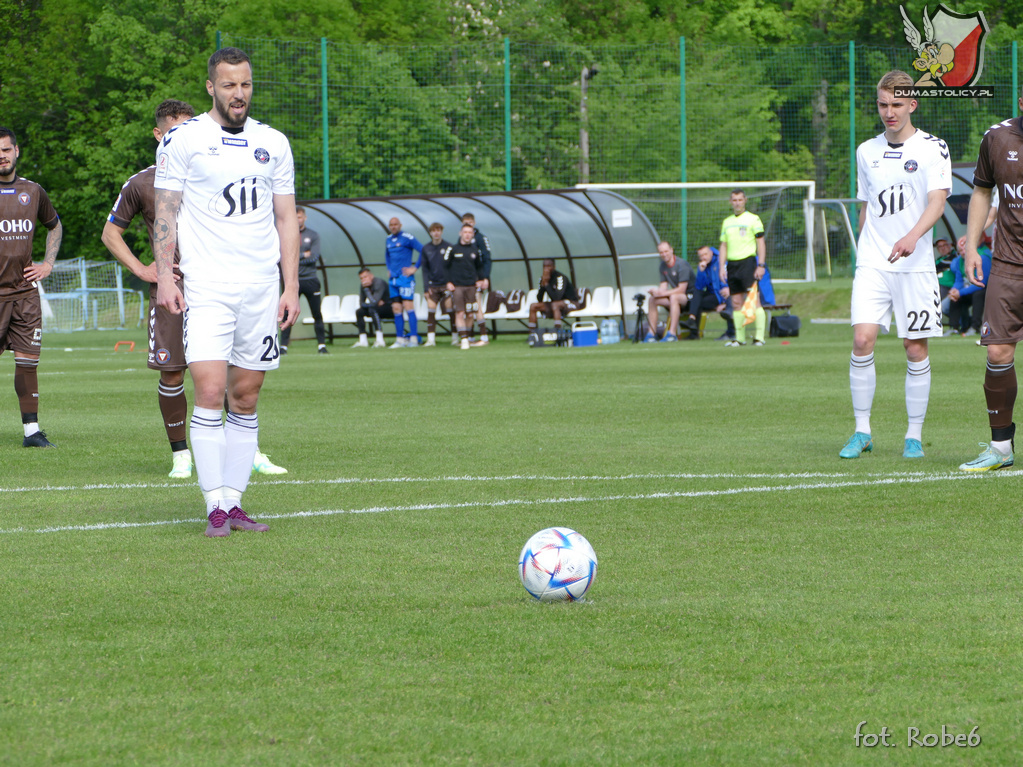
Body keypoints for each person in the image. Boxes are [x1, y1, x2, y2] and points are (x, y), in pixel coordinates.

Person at [153, 47, 300, 537]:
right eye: (229, 85)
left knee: (247, 395)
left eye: (246, 85)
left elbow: (285, 218)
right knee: (210, 391)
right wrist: (167, 277)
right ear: (211, 87)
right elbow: (166, 212)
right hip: (209, 286)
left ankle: (235, 503)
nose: (239, 94)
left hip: (261, 288)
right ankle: (214, 504)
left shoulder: (273, 142)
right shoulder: (184, 139)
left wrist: (291, 285)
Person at [103, 99, 288, 480]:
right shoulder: (142, 183)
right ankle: (180, 454)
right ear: (159, 135)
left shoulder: (218, 166)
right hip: (173, 289)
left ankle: (246, 450)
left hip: (218, 283)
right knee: (173, 374)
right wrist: (143, 269)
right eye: (174, 130)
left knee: (225, 375)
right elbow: (110, 233)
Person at [840, 70, 950, 461]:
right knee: (862, 339)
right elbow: (867, 205)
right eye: (883, 105)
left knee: (914, 347)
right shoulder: (865, 151)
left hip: (916, 263)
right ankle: (862, 430)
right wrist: (863, 248)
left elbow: (937, 201)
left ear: (912, 105)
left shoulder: (933, 147)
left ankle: (914, 436)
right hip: (873, 261)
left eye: (896, 105)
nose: (889, 112)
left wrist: (912, 238)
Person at [959, 86, 1023, 471]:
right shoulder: (997, 138)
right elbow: (982, 192)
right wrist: (971, 247)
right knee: (998, 352)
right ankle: (1001, 447)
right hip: (1008, 265)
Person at [0, 126, 62, 448]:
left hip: (24, 293)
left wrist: (48, 263)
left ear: (16, 151)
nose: (2, 156)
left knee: (27, 362)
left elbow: (54, 225)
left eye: (6, 150)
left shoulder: (33, 191)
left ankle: (31, 433)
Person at [718, 189, 768, 347]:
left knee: (754, 300)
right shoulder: (727, 222)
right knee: (736, 302)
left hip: (748, 263)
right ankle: (739, 339)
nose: (737, 203)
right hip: (733, 265)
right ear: (730, 202)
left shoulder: (753, 219)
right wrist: (721, 266)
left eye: (740, 199)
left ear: (745, 200)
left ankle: (759, 337)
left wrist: (761, 264)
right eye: (734, 200)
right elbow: (724, 245)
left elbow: (760, 242)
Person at [280, 205, 327, 355]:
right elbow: (282, 256)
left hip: (310, 280)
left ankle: (321, 346)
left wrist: (294, 257)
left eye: (300, 217)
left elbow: (314, 256)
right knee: (288, 313)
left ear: (304, 218)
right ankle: (283, 347)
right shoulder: (287, 235)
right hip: (293, 281)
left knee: (316, 313)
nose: (298, 219)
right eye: (295, 217)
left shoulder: (313, 235)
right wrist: (302, 255)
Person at [643, 241, 695, 342]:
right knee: (652, 299)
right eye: (661, 252)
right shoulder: (662, 266)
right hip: (676, 297)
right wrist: (656, 292)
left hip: (690, 298)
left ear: (672, 250)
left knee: (674, 297)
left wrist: (662, 293)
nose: (664, 254)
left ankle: (672, 334)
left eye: (666, 251)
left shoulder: (682, 264)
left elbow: (681, 289)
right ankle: (651, 334)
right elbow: (663, 286)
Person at [681, 246, 735, 341]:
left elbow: (729, 281)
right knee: (697, 294)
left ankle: (693, 328)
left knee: (697, 302)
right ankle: (692, 321)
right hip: (713, 295)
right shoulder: (703, 266)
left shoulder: (720, 262)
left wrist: (724, 302)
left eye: (705, 254)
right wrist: (701, 271)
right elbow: (699, 286)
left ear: (711, 253)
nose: (703, 257)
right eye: (701, 255)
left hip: (723, 296)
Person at [384, 216, 423, 348]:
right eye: (391, 225)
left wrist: (415, 268)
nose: (393, 226)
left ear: (400, 225)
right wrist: (389, 268)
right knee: (396, 308)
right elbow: (387, 255)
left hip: (405, 279)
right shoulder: (388, 239)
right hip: (393, 280)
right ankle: (400, 339)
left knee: (408, 307)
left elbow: (423, 250)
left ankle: (413, 338)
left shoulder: (407, 237)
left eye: (395, 224)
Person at [444, 223, 483, 350]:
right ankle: (464, 339)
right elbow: (445, 267)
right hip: (457, 287)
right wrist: (448, 282)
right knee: (460, 313)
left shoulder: (475, 250)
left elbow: (479, 267)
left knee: (470, 314)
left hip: (471, 286)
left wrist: (480, 280)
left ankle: (467, 335)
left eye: (469, 232)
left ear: (472, 235)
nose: (467, 234)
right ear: (460, 233)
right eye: (465, 232)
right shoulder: (453, 249)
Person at [943, 234, 989, 337]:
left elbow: (981, 283)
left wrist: (960, 292)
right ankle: (954, 328)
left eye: (965, 249)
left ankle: (975, 327)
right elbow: (959, 280)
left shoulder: (982, 257)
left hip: (985, 290)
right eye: (961, 250)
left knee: (978, 294)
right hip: (969, 289)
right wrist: (954, 290)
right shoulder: (960, 261)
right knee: (955, 298)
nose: (963, 252)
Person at [462, 212, 492, 346]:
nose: (468, 224)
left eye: (470, 221)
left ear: (474, 222)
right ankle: (470, 337)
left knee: (477, 306)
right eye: (465, 222)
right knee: (469, 309)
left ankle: (484, 337)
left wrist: (485, 277)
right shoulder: (462, 240)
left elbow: (487, 259)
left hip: (477, 279)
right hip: (465, 280)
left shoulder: (481, 238)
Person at [527, 259, 581, 334]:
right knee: (533, 306)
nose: (546, 269)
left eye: (549, 266)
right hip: (555, 304)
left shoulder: (560, 278)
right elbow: (539, 299)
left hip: (570, 303)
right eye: (544, 266)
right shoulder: (544, 278)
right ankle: (532, 334)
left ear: (554, 267)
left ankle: (557, 332)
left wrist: (546, 284)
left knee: (555, 305)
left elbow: (557, 298)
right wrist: (543, 284)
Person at [420, 222, 452, 347]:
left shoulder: (449, 247)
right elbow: (425, 270)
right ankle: (431, 339)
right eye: (434, 230)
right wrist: (426, 288)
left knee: (450, 310)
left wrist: (451, 282)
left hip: (446, 285)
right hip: (433, 286)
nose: (436, 232)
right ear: (430, 233)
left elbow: (452, 267)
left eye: (438, 230)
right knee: (431, 310)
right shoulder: (426, 248)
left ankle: (454, 337)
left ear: (442, 231)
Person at [353, 267, 392, 348]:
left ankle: (380, 340)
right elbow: (362, 303)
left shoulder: (379, 283)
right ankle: (363, 341)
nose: (364, 280)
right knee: (359, 312)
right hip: (375, 308)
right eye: (361, 278)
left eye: (365, 277)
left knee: (373, 309)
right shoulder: (363, 286)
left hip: (389, 308)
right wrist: (366, 290)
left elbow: (374, 301)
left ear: (371, 276)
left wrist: (367, 291)